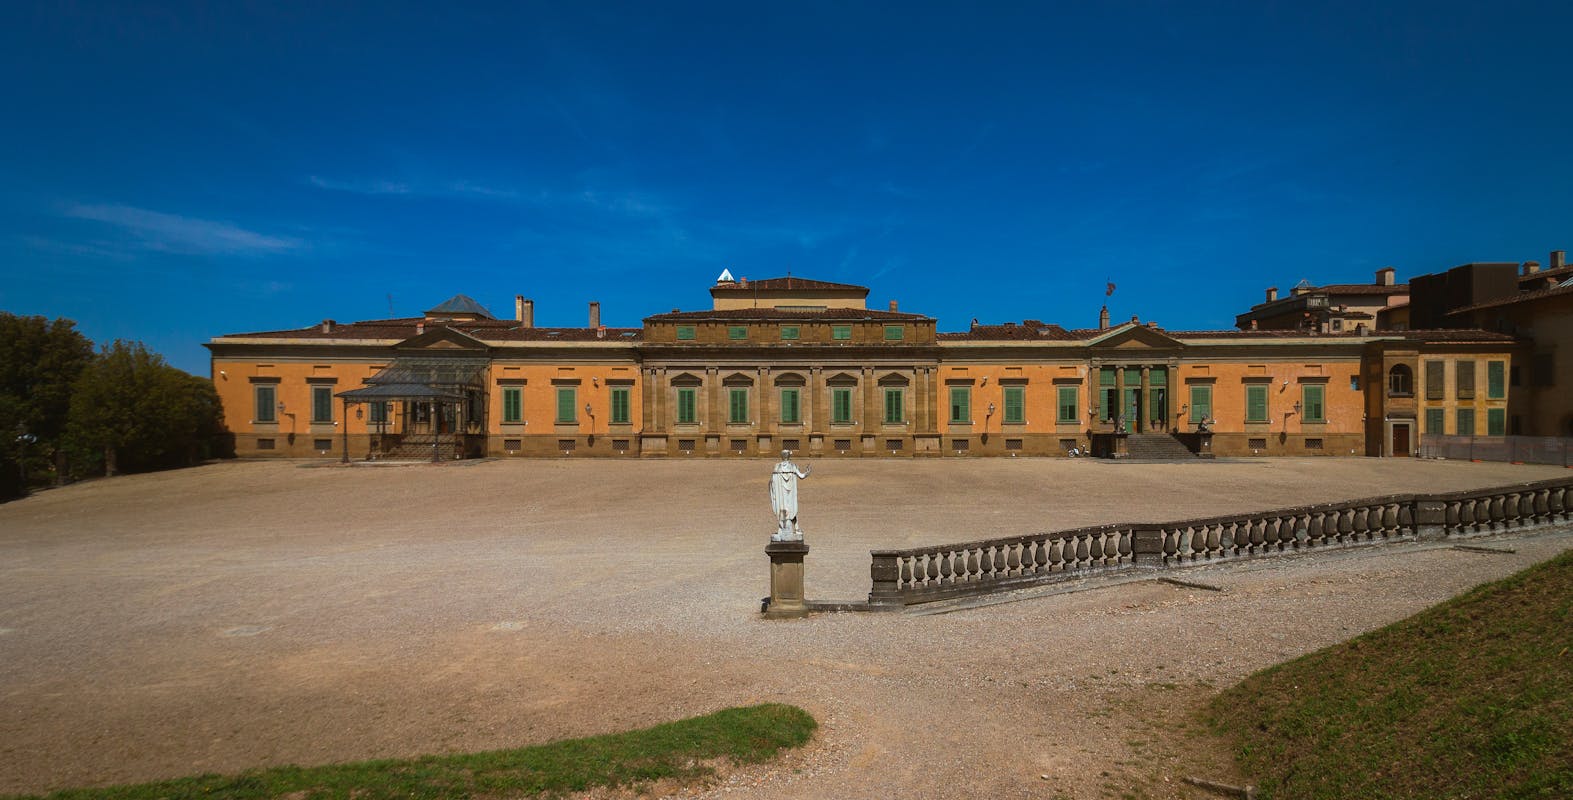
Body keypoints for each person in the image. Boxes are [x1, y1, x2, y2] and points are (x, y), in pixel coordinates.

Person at [769, 449, 812, 541]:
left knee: (783, 508)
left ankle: (783, 529)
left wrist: (772, 487)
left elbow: (772, 481)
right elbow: (801, 476)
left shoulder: (777, 467)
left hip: (781, 493)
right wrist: (807, 472)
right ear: (789, 456)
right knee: (791, 508)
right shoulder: (793, 466)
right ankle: (795, 528)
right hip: (790, 492)